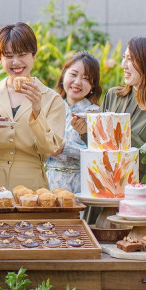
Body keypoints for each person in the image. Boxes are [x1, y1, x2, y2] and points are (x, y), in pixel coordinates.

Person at [70, 35, 146, 222]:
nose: (123, 65)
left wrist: (118, 134)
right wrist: (86, 131)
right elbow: (100, 150)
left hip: (136, 205)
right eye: (124, 58)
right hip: (102, 197)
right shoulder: (113, 96)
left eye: (130, 59)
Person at [0, 22, 66, 189]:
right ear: (0, 59)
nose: (16, 62)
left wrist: (37, 111)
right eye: (8, 56)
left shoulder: (52, 99)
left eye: (22, 54)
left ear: (34, 55)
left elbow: (51, 149)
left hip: (31, 187)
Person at [45, 52, 102, 194]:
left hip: (81, 187)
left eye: (86, 78)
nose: (77, 82)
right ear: (63, 75)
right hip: (48, 183)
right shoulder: (50, 108)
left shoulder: (96, 114)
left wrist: (65, 147)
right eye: (73, 74)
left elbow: (100, 155)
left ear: (93, 85)